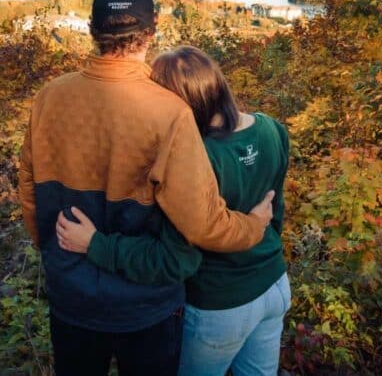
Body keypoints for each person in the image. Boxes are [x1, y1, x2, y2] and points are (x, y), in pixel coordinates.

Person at [19, 0, 275, 376]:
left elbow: (31, 198)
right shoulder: (168, 112)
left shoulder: (49, 98)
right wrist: (254, 226)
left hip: (71, 297)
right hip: (145, 308)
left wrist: (55, 254)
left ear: (92, 30)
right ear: (151, 30)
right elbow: (202, 224)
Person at [56, 46, 291, 376]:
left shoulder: (193, 159)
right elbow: (274, 211)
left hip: (220, 302)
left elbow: (171, 254)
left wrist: (96, 243)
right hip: (274, 284)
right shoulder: (271, 129)